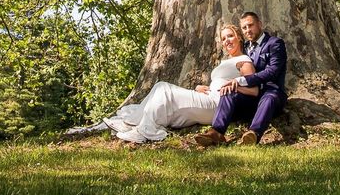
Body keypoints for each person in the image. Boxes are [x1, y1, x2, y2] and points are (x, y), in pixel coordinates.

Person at [103, 24, 256, 143]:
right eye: (223, 38)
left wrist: (235, 86)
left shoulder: (244, 61)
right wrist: (205, 88)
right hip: (208, 97)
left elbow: (254, 90)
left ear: (239, 38)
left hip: (218, 105)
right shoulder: (227, 61)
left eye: (230, 36)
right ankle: (132, 123)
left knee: (164, 88)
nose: (226, 41)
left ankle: (144, 130)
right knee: (159, 88)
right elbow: (222, 81)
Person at [194, 11, 287, 146]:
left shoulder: (274, 44)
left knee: (269, 97)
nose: (248, 30)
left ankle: (253, 134)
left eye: (251, 25)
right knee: (228, 92)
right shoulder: (245, 48)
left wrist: (240, 81)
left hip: (272, 93)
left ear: (259, 24)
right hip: (251, 97)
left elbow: (272, 72)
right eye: (244, 28)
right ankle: (216, 132)